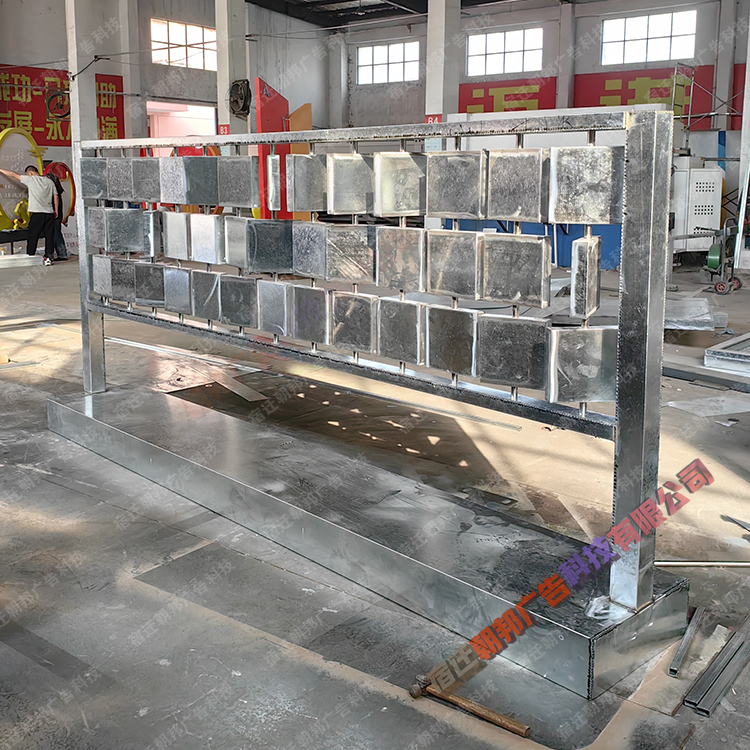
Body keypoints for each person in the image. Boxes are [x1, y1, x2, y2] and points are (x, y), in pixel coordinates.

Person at [0, 165, 58, 266]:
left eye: (27, 174)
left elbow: (13, 174)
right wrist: (56, 210)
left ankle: (30, 255)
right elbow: (56, 196)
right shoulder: (49, 181)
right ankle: (48, 257)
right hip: (49, 213)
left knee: (33, 236)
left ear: (30, 173)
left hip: (37, 213)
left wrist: (0, 170)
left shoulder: (31, 180)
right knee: (49, 237)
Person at [46, 170, 68, 260]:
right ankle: (61, 253)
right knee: (57, 233)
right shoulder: (58, 190)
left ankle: (61, 253)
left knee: (55, 234)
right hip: (58, 215)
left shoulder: (53, 192)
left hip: (54, 215)